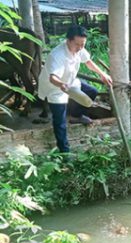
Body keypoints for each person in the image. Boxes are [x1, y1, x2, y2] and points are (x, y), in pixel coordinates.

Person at [38, 25, 112, 153]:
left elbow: (88, 62)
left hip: (70, 81)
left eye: (83, 44)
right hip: (55, 87)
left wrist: (102, 74)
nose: (80, 48)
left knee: (92, 91)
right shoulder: (57, 55)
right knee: (60, 120)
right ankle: (65, 152)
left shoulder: (79, 48)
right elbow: (52, 78)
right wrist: (61, 85)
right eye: (78, 44)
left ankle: (77, 115)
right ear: (68, 40)